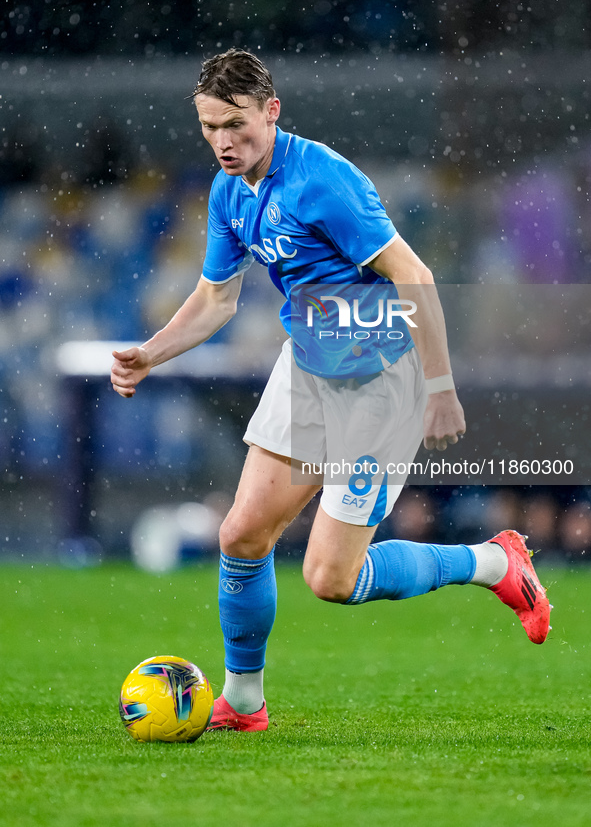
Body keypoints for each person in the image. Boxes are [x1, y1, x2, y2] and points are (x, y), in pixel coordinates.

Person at [110, 49, 551, 733]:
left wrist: (439, 388)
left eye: (236, 124)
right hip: (309, 366)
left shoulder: (323, 182)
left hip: (381, 380)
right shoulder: (228, 193)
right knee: (242, 533)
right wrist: (150, 354)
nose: (224, 141)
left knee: (331, 580)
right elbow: (216, 300)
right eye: (208, 128)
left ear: (271, 112)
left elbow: (415, 275)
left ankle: (493, 561)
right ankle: (243, 702)